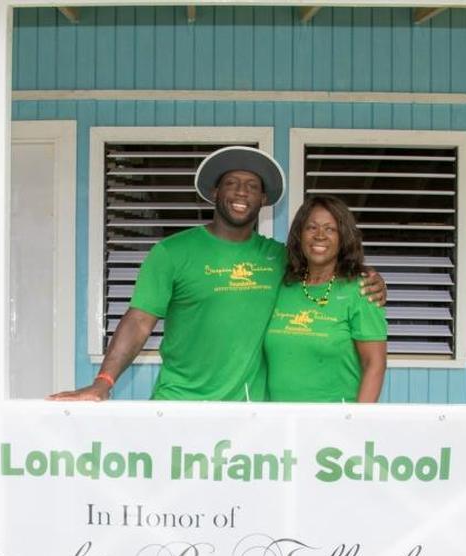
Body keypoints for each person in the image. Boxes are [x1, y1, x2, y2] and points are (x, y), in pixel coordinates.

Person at [48, 146, 386, 402]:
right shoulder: (172, 252)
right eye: (232, 184)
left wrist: (368, 277)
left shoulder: (279, 259)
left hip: (248, 414)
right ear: (215, 192)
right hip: (179, 404)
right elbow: (138, 322)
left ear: (264, 199)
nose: (242, 192)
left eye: (252, 186)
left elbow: (324, 263)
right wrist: (102, 383)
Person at [264, 196, 387, 402]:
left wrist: (356, 423)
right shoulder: (282, 285)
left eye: (330, 229)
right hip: (280, 423)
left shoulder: (362, 290)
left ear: (343, 238)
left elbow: (374, 364)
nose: (320, 235)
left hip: (336, 425)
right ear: (300, 235)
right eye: (311, 228)